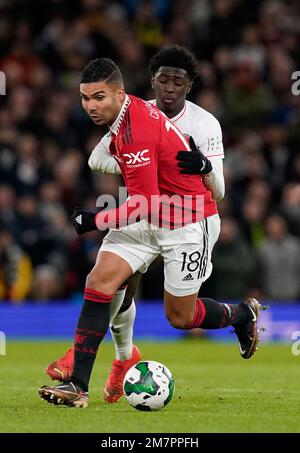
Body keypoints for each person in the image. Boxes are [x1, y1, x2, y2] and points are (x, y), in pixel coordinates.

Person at [39, 52, 260, 409]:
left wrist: (94, 221)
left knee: (180, 317)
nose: (91, 106)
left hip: (189, 219)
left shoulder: (151, 126)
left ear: (120, 93)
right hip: (147, 217)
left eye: (99, 97)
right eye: (85, 98)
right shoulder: (125, 119)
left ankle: (240, 315)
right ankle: (78, 386)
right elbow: (127, 186)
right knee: (99, 282)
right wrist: (129, 164)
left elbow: (144, 202)